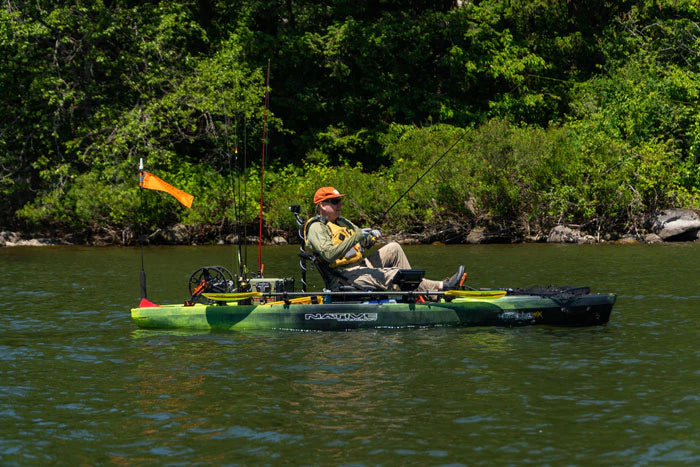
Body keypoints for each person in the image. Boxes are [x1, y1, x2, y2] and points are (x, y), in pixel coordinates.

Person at [304, 186, 464, 292]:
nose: (339, 205)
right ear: (322, 205)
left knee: (394, 248)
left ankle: (415, 292)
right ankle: (441, 287)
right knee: (395, 273)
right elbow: (329, 254)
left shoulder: (342, 222)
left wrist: (370, 238)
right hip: (342, 278)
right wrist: (357, 236)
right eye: (334, 201)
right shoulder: (316, 227)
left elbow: (359, 243)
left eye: (340, 201)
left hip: (358, 267)